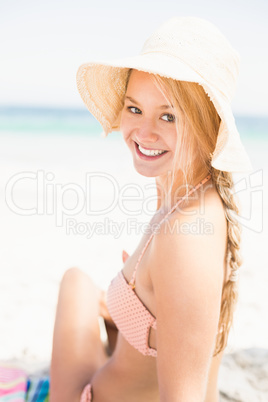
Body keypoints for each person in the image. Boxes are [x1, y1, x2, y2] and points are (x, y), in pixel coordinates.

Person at [50, 17, 252, 402]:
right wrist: (138, 297)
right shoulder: (188, 191)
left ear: (209, 128)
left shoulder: (187, 236)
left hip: (90, 396)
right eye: (134, 108)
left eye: (168, 116)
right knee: (79, 283)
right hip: (124, 373)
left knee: (75, 283)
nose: (143, 133)